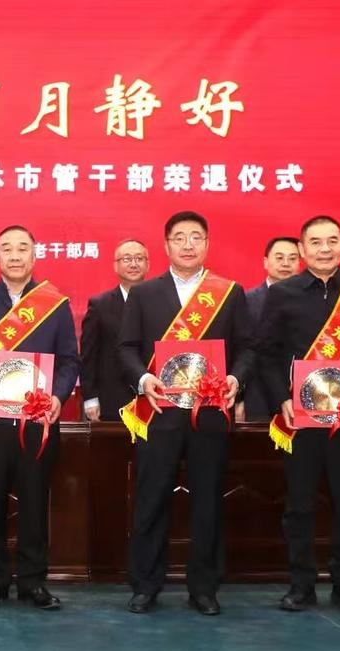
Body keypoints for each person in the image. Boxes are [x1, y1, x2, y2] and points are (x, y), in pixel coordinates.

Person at [119, 211, 253, 616]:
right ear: (166, 246)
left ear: (207, 244)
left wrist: (236, 379)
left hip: (209, 414)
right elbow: (125, 348)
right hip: (159, 413)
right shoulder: (145, 294)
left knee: (208, 501)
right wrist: (143, 378)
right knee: (151, 499)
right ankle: (145, 585)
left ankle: (205, 588)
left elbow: (248, 348)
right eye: (180, 237)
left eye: (196, 237)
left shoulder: (229, 293)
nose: (188, 244)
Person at [257, 216, 340, 614]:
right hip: (299, 420)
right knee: (299, 504)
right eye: (316, 242)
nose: (325, 248)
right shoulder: (282, 293)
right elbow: (266, 352)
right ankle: (301, 585)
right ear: (302, 249)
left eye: (332, 241)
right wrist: (281, 398)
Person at [0, 225, 79, 610]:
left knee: (34, 503)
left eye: (22, 248)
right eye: (6, 249)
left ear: (34, 255)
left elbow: (69, 360)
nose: (14, 255)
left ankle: (32, 583)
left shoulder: (55, 304)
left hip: (39, 423)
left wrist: (58, 397)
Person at [80, 239, 148, 421]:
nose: (133, 264)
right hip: (112, 400)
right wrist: (90, 398)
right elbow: (88, 357)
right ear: (115, 266)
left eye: (139, 258)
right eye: (127, 259)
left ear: (147, 264)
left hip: (154, 400)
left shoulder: (160, 301)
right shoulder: (100, 305)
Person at [237, 237, 300, 422]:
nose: (286, 264)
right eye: (279, 258)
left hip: (303, 394)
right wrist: (239, 398)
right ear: (266, 262)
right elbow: (240, 351)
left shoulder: (313, 301)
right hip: (257, 396)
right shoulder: (246, 300)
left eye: (292, 258)